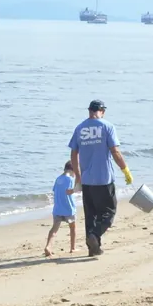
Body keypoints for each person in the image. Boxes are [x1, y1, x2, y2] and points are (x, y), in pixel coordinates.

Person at [68, 100, 133, 257]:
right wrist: (125, 170)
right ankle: (94, 236)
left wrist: (78, 176)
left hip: (87, 181)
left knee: (91, 215)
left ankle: (93, 249)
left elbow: (73, 154)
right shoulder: (107, 126)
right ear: (102, 111)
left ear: (89, 111)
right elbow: (115, 152)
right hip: (104, 179)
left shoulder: (79, 128)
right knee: (109, 212)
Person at [43, 160, 78, 257]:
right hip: (68, 208)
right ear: (73, 170)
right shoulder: (69, 179)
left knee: (54, 229)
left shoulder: (58, 179)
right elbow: (70, 191)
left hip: (57, 208)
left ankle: (48, 246)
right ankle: (72, 248)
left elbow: (55, 190)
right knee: (72, 227)